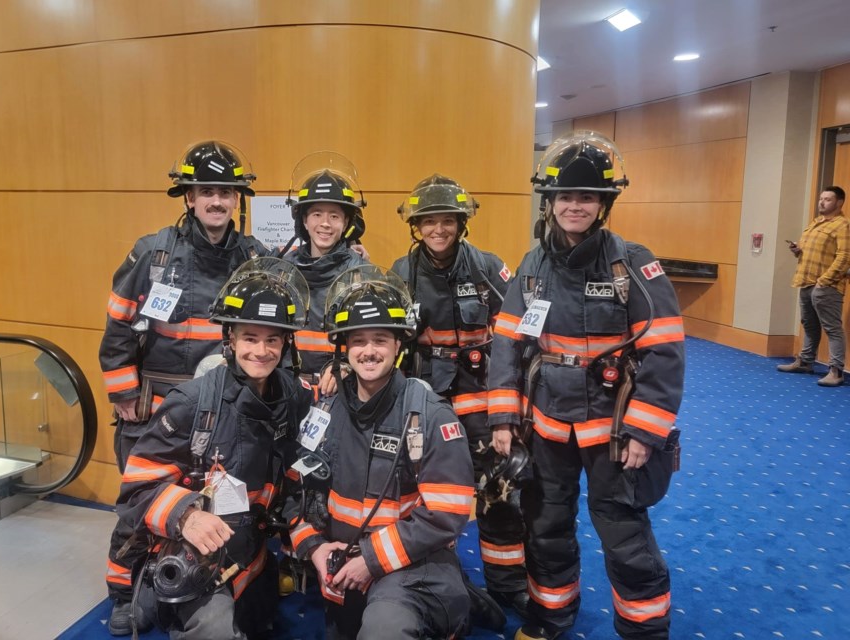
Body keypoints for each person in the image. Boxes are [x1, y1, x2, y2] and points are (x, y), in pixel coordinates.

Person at [488, 132, 685, 640]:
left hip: (614, 431)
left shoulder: (632, 264)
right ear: (550, 202)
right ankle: (550, 618)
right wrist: (505, 418)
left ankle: (644, 631)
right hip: (547, 426)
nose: (575, 206)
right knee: (546, 528)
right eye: (565, 197)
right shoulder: (531, 265)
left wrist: (646, 432)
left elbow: (664, 351)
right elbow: (508, 345)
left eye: (587, 197)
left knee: (624, 535)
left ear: (603, 204)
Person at [99, 140, 268, 635]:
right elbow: (117, 327)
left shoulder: (254, 258)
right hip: (152, 407)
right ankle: (124, 593)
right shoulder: (152, 253)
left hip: (225, 408)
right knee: (139, 506)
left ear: (238, 200)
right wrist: (123, 391)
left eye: (227, 193)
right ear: (188, 196)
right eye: (206, 191)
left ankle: (198, 585)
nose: (218, 201)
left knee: (217, 503)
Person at [115, 257, 314, 639]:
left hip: (251, 551)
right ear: (230, 340)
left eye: (272, 339)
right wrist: (186, 517)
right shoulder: (192, 403)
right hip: (195, 551)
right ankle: (144, 597)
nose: (262, 351)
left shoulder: (291, 396)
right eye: (250, 338)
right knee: (217, 631)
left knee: (261, 620)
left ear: (286, 344)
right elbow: (136, 487)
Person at [289, 265, 474, 639]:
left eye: (380, 340)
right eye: (357, 341)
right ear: (343, 349)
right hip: (339, 564)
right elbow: (295, 492)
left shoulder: (431, 415)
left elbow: (447, 513)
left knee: (382, 630)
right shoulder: (324, 410)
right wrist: (315, 548)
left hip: (407, 567)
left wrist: (370, 560)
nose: (368, 351)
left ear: (398, 347)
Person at [391, 175, 530, 620]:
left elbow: (515, 330)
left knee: (499, 491)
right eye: (428, 221)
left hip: (482, 399)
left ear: (461, 222)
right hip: (424, 400)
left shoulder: (488, 267)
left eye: (446, 220)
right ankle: (437, 579)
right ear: (416, 226)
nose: (438, 230)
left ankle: (508, 584)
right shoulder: (399, 272)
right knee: (425, 495)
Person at [279, 151, 368, 396]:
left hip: (342, 391)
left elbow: (374, 338)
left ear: (347, 222)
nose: (325, 223)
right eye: (317, 214)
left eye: (334, 216)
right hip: (289, 389)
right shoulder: (283, 273)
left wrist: (346, 365)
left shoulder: (363, 274)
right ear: (304, 221)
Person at [777, 185, 849, 386]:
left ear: (839, 202)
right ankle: (805, 362)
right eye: (821, 198)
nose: (822, 202)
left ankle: (836, 371)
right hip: (806, 280)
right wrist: (798, 250)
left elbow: (845, 256)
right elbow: (813, 250)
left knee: (832, 328)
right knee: (809, 325)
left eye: (827, 199)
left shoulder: (842, 225)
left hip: (827, 286)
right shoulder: (816, 223)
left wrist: (824, 281)